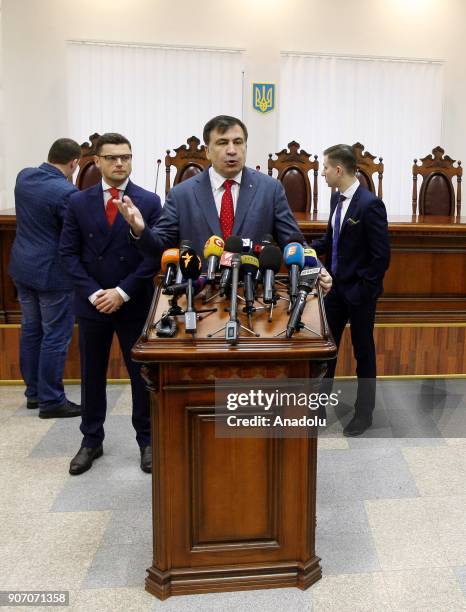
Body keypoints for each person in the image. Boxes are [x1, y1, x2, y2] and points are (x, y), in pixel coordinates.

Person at [114, 114, 332, 294]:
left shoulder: (270, 189)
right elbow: (159, 247)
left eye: (238, 142)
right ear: (207, 151)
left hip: (252, 295)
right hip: (197, 294)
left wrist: (317, 269)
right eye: (222, 143)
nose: (232, 150)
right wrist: (140, 231)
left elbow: (293, 242)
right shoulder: (182, 194)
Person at [59, 133, 162, 475]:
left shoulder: (149, 201)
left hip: (132, 302)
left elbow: (153, 257)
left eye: (126, 157)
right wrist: (95, 293)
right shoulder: (78, 202)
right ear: (98, 162)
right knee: (91, 375)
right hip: (92, 305)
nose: (120, 163)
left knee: (139, 376)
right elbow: (68, 255)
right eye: (113, 157)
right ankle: (91, 440)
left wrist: (121, 291)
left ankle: (146, 440)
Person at [313, 144, 390, 436]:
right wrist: (309, 248)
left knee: (363, 352)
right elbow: (331, 240)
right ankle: (317, 409)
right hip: (334, 290)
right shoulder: (336, 200)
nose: (322, 173)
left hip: (359, 293)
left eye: (324, 168)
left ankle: (364, 413)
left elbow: (381, 256)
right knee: (326, 352)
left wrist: (363, 289)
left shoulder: (370, 205)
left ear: (338, 170)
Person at [8, 138, 82, 419]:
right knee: (55, 336)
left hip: (22, 268)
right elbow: (73, 233)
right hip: (52, 274)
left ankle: (34, 393)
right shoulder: (66, 192)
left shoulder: (24, 177)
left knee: (31, 330)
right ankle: (51, 401)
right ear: (74, 163)